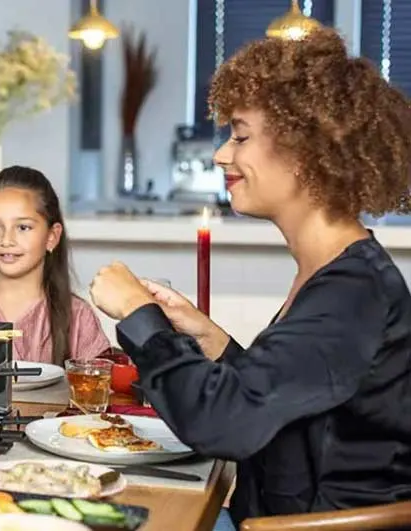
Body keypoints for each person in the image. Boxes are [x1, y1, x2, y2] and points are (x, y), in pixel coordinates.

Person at [88, 28, 411, 528]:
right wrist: (211, 339)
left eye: (239, 135)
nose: (221, 154)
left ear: (304, 153)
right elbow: (289, 398)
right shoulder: (336, 273)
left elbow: (221, 424)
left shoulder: (353, 295)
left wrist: (139, 314)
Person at [0, 166, 111, 365]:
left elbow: (97, 385)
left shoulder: (78, 316)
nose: (6, 240)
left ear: (52, 236)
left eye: (23, 227)